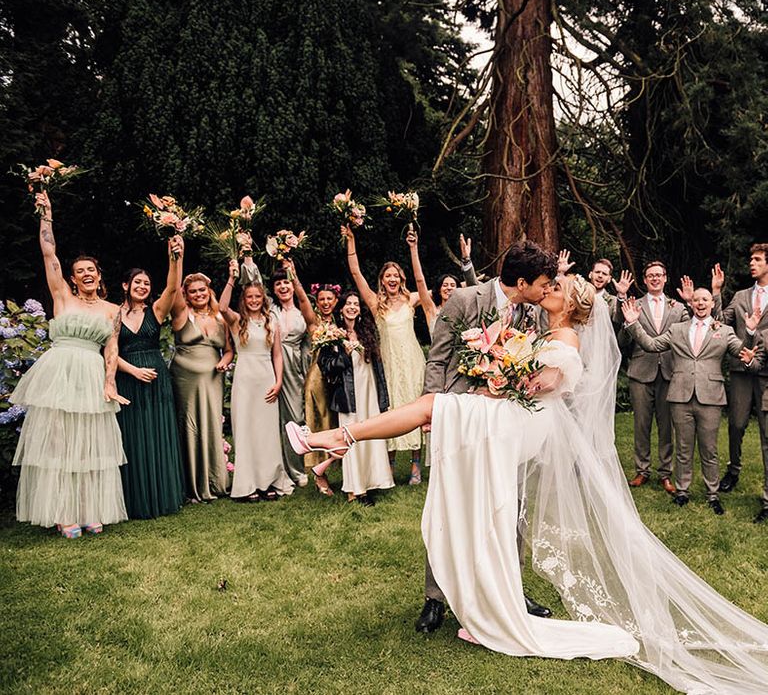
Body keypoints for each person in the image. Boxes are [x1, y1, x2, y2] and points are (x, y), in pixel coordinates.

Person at [287, 274, 768, 694]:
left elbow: (544, 382)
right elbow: (520, 377)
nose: (548, 289)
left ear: (571, 302)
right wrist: (496, 369)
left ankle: (335, 438)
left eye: (556, 288)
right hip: (513, 416)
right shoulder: (545, 328)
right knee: (482, 494)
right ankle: (483, 602)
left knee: (433, 407)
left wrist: (503, 372)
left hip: (523, 420)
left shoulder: (568, 339)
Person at [418, 239, 555, 632]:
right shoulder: (463, 299)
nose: (546, 290)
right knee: (449, 503)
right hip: (461, 417)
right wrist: (433, 408)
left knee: (510, 505)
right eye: (543, 283)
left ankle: (511, 589)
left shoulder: (531, 314)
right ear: (523, 280)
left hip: (507, 421)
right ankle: (435, 598)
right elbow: (439, 356)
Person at [12, 191, 128, 538]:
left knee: (90, 444)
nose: (86, 274)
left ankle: (88, 508)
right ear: (73, 279)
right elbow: (49, 253)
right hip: (60, 373)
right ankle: (63, 514)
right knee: (61, 444)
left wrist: (110, 383)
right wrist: (46, 215)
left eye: (91, 270)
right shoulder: (63, 296)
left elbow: (112, 348)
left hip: (91, 374)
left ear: (98, 274)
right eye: (80, 272)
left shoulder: (111, 310)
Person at [622, 288, 759, 514]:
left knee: (709, 448)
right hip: (680, 395)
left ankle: (712, 493)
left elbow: (740, 350)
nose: (701, 303)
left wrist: (751, 330)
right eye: (696, 300)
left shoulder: (724, 331)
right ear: (691, 304)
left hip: (710, 396)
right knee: (683, 448)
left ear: (711, 304)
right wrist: (633, 324)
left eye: (705, 299)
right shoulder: (677, 329)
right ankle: (682, 490)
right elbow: (652, 345)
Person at [343, 225, 425, 484]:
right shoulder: (376, 304)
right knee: (388, 411)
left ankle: (415, 465)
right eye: (387, 275)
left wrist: (413, 249)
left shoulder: (412, 299)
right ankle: (388, 463)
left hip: (411, 362)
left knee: (414, 409)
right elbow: (356, 273)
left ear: (401, 279)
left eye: (396, 276)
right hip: (387, 363)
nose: (392, 279)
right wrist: (351, 242)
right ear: (382, 280)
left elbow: (422, 281)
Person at [115, 238, 186, 519]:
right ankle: (135, 500)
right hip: (127, 379)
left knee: (157, 435)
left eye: (146, 283)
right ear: (125, 286)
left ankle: (163, 495)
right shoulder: (113, 313)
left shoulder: (155, 311)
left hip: (156, 380)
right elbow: (107, 353)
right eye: (137, 283)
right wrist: (132, 370)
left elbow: (172, 287)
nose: (143, 287)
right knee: (131, 436)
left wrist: (174, 257)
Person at [220, 261, 292, 501]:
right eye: (249, 297)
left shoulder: (272, 321)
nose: (253, 300)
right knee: (246, 431)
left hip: (266, 379)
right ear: (244, 299)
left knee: (266, 432)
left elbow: (278, 355)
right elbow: (221, 306)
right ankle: (248, 484)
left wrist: (279, 382)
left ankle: (268, 481)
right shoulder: (236, 320)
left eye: (257, 297)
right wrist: (231, 279)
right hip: (244, 380)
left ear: (263, 298)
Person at [314, 291, 393, 504]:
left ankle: (371, 482)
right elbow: (326, 366)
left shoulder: (367, 332)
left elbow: (378, 368)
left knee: (370, 436)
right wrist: (344, 355)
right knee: (350, 439)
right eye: (348, 303)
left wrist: (382, 398)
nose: (352, 307)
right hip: (348, 395)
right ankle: (354, 490)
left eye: (356, 304)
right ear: (341, 308)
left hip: (370, 392)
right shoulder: (332, 334)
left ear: (359, 310)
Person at [617, 261, 689, 494]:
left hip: (669, 371)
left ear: (665, 278)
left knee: (666, 424)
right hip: (641, 371)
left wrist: (689, 301)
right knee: (641, 424)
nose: (655, 279)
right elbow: (622, 342)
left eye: (659, 275)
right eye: (651, 276)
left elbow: (692, 331)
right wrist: (630, 322)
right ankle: (642, 470)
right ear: (645, 280)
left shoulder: (677, 307)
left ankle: (665, 473)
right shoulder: (633, 304)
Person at [711, 246, 768, 523]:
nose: (751, 264)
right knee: (736, 424)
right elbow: (720, 322)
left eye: (757, 259)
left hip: (767, 372)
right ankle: (733, 471)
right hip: (741, 370)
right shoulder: (741, 296)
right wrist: (716, 292)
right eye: (750, 260)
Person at [170, 272, 233, 502]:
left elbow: (228, 349)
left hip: (212, 380)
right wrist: (177, 256)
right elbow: (173, 289)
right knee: (188, 427)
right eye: (193, 291)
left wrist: (225, 361)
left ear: (209, 291)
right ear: (186, 295)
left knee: (211, 425)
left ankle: (214, 482)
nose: (198, 294)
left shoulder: (220, 317)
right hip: (184, 379)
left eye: (202, 290)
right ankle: (190, 486)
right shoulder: (182, 314)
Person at [283, 261, 340, 475]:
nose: (325, 302)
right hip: (318, 378)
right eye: (322, 299)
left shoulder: (342, 319)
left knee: (336, 422)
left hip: (339, 377)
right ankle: (318, 470)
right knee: (318, 420)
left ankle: (338, 465)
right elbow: (303, 300)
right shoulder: (314, 322)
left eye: (329, 299)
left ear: (336, 301)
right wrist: (295, 279)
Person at [270, 269, 310, 488]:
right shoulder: (270, 309)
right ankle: (275, 467)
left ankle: (297, 469)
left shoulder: (301, 309)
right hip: (270, 364)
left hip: (293, 367)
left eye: (286, 282)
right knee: (271, 419)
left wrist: (292, 268)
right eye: (278, 284)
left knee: (295, 417)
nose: (283, 287)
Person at [406, 230, 478, 338]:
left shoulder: (464, 311)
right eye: (445, 285)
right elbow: (420, 281)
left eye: (453, 286)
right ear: (439, 290)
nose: (449, 288)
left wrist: (466, 259)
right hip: (437, 354)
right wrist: (413, 248)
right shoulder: (431, 310)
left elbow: (474, 289)